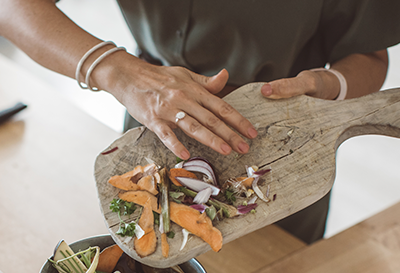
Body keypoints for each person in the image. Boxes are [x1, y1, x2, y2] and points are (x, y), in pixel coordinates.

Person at [1, 0, 399, 242]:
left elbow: (369, 55)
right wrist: (117, 71)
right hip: (154, 126)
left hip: (283, 148)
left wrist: (330, 84)